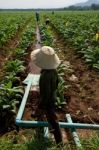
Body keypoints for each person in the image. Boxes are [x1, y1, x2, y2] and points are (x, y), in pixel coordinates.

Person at [31, 46, 62, 144]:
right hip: (53, 96)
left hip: (48, 100)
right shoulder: (54, 71)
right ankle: (40, 115)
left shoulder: (45, 76)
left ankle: (59, 142)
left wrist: (41, 105)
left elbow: (45, 94)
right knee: (51, 115)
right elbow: (57, 83)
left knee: (53, 119)